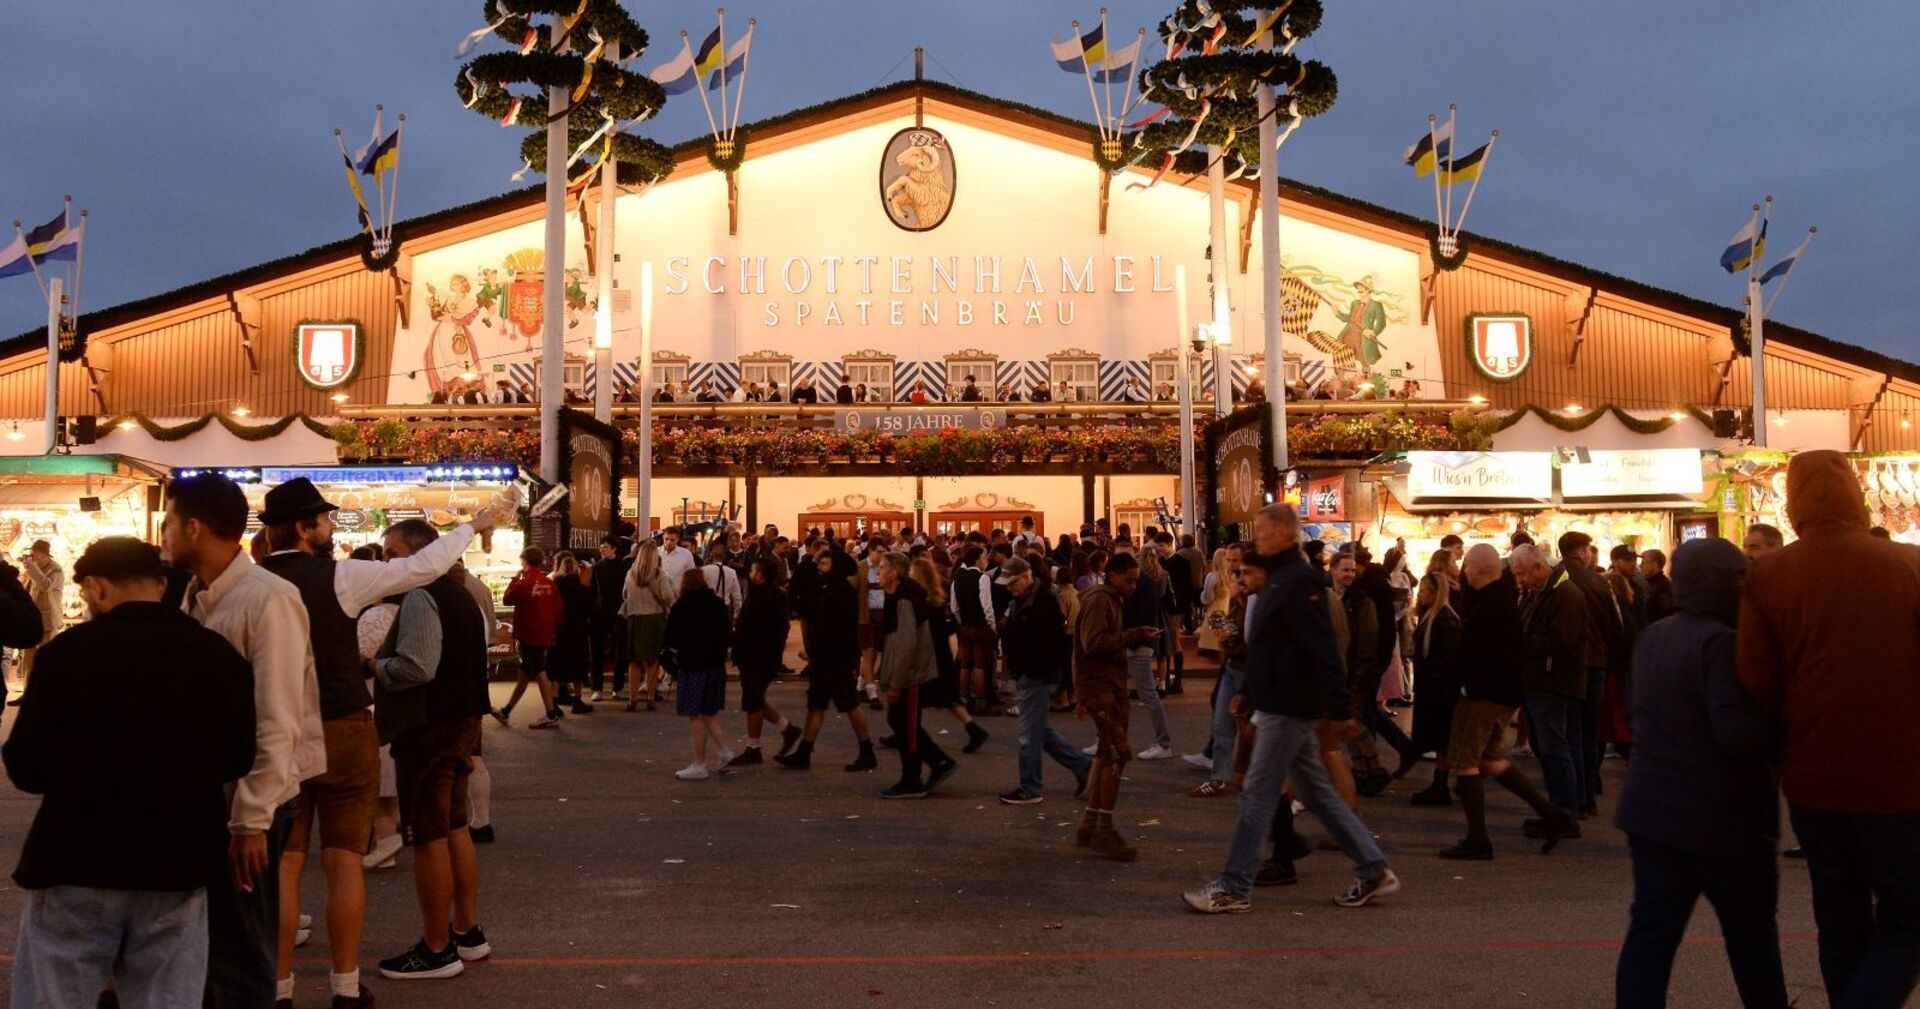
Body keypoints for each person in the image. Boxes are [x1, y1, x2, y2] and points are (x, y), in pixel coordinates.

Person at [256, 477, 487, 1009]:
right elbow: (418, 568)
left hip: (277, 732)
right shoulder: (340, 577)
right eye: (324, 519)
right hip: (342, 727)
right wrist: (470, 526)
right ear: (303, 526)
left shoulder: (249, 583)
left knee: (286, 866)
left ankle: (280, 988)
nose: (330, 526)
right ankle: (343, 985)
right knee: (342, 862)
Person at [5, 537, 256, 1009]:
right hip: (179, 860)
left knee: (56, 995)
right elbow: (239, 758)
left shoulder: (68, 654)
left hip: (75, 857)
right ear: (161, 586)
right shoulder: (216, 655)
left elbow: (27, 765)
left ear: (97, 589)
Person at [1739, 450, 1920, 1009]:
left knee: (1839, 918)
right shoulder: (1909, 565)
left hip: (1816, 777)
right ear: (1855, 493)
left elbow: (1756, 682)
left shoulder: (1770, 574)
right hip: (1902, 776)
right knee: (1909, 922)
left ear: (1793, 501)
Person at [160, 474, 326, 1009]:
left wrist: (252, 818)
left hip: (253, 804)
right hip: (213, 796)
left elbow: (278, 716)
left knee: (240, 949)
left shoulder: (267, 599)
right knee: (208, 943)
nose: (162, 536)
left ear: (193, 527)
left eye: (167, 524)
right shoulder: (194, 595)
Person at [1184, 505, 1400, 913]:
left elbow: (1322, 647)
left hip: (1289, 705)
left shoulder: (1299, 580)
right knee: (1317, 794)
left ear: (1284, 533)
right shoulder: (1283, 577)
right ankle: (1372, 869)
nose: (1259, 537)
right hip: (1281, 701)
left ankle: (1233, 886)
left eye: (1264, 531)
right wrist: (1248, 690)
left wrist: (1339, 708)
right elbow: (1270, 645)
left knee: (1257, 795)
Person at [1615, 537, 1786, 1009]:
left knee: (1651, 937)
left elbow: (1635, 713)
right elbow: (1736, 732)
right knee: (1752, 939)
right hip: (1722, 820)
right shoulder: (1723, 643)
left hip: (1651, 813)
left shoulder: (1655, 636)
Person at [370, 520, 494, 981]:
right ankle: (466, 931)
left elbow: (417, 667)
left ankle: (437, 947)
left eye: (392, 553)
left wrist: (375, 664)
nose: (386, 564)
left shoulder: (422, 595)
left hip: (428, 727)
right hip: (461, 723)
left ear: (420, 554)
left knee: (429, 836)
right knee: (455, 827)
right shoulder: (459, 594)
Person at [1439, 545, 1575, 860]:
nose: (1463, 571)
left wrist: (1464, 687)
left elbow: (1480, 654)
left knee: (1466, 761)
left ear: (1479, 569)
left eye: (1467, 567)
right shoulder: (1500, 598)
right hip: (1500, 694)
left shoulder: (1492, 604)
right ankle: (1552, 814)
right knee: (1490, 760)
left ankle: (1478, 839)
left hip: (1483, 696)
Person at [1072, 552, 1159, 860]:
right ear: (1112, 575)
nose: (1133, 586)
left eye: (1136, 580)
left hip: (1104, 684)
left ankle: (1091, 823)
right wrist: (1132, 635)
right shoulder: (1101, 600)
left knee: (1106, 752)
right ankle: (1103, 830)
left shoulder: (1106, 598)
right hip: (1101, 685)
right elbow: (1093, 644)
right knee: (1116, 754)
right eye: (1128, 579)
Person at [995, 558, 1090, 805]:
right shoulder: (1027, 600)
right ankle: (1081, 765)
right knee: (1040, 729)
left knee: (1029, 733)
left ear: (1025, 578)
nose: (1009, 587)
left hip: (1037, 674)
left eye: (1012, 583)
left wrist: (1031, 669)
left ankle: (1031, 786)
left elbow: (1048, 643)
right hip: (1033, 673)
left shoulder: (1041, 602)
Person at [777, 545, 878, 771]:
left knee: (849, 704)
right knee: (817, 704)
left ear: (836, 567)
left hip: (836, 660)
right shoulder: (831, 589)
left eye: (824, 563)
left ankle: (866, 750)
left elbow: (836, 631)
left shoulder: (842, 593)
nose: (820, 566)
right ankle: (804, 751)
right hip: (826, 659)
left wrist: (813, 651)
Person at [1512, 544, 1588, 835]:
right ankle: (1557, 811)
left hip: (1553, 683)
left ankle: (1565, 815)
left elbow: (1562, 640)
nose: (1519, 580)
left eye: (1521, 574)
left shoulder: (1565, 594)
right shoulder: (1542, 592)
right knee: (1548, 749)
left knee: (1555, 749)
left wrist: (1521, 644)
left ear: (1538, 566)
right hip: (1539, 681)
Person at [875, 551, 957, 799]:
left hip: (911, 676)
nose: (877, 572)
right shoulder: (897, 597)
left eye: (881, 567)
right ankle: (938, 761)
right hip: (906, 673)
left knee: (906, 725)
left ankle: (912, 779)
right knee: (899, 722)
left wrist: (896, 682)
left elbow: (907, 644)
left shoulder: (905, 600)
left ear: (894, 573)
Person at [1556, 531, 1622, 818]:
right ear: (1582, 552)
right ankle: (1589, 790)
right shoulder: (1598, 580)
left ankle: (1578, 795)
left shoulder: (1556, 578)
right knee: (1590, 730)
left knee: (1570, 731)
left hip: (1567, 665)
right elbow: (1617, 626)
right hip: (1596, 663)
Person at [724, 557, 801, 766]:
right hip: (753, 656)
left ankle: (753, 747)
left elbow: (765, 628)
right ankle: (787, 728)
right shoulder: (761, 593)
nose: (751, 574)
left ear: (761, 575)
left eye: (755, 571)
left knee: (753, 701)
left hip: (759, 656)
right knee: (753, 698)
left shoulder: (770, 596)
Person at [665, 568, 735, 779]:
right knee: (709, 711)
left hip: (692, 665)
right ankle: (723, 751)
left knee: (695, 713)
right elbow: (726, 634)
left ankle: (700, 763)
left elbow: (671, 638)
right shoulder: (718, 605)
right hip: (714, 665)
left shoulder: (681, 606)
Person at [1407, 562, 1463, 807]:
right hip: (1433, 689)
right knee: (1440, 739)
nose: (1420, 595)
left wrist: (1441, 686)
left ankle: (1444, 785)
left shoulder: (1444, 620)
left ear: (1434, 593)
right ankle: (1440, 784)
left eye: (1424, 591)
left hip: (1440, 692)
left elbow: (1451, 659)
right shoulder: (1433, 617)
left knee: (1443, 739)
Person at [497, 548, 564, 728]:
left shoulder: (525, 583)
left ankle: (551, 713)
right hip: (544, 633)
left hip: (528, 634)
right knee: (526, 673)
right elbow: (558, 610)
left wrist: (514, 580)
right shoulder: (549, 583)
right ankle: (506, 710)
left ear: (525, 561)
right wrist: (553, 631)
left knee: (539, 671)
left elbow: (507, 599)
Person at [1124, 547, 1176, 760]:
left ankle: (1162, 742)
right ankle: (1108, 738)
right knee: (1139, 692)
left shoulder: (1142, 582)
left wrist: (1136, 637)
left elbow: (1142, 612)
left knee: (1147, 694)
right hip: (1145, 635)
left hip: (1139, 640)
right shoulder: (1158, 576)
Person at [622, 541, 675, 711]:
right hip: (654, 619)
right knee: (652, 660)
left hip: (634, 619)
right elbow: (667, 597)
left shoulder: (631, 573)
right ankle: (651, 698)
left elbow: (624, 595)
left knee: (634, 661)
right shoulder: (659, 574)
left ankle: (632, 699)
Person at [950, 545, 1000, 715]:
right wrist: (992, 626)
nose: (985, 560)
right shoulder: (982, 578)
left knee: (965, 664)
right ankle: (980, 702)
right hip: (980, 625)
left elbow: (954, 606)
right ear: (977, 559)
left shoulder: (958, 578)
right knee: (979, 665)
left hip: (964, 626)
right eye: (983, 557)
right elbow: (987, 606)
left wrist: (960, 622)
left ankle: (964, 698)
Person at [548, 551, 596, 714]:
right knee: (578, 668)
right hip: (578, 632)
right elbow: (591, 610)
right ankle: (577, 700)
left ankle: (554, 703)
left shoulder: (554, 588)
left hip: (559, 632)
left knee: (556, 668)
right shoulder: (582, 589)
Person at [14, 539, 63, 696]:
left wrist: (32, 567)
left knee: (47, 659)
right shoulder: (35, 569)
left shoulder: (56, 570)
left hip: (49, 622)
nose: (33, 556)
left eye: (35, 554)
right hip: (34, 620)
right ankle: (27, 694)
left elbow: (45, 585)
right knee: (28, 659)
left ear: (43, 554)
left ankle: (46, 694)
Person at [589, 537, 631, 703]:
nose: (602, 549)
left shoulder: (624, 567)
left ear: (614, 549)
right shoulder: (597, 567)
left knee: (620, 652)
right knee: (596, 652)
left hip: (619, 613)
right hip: (599, 614)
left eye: (605, 547)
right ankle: (597, 688)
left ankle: (617, 688)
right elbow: (593, 591)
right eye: (601, 547)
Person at [1638, 548, 1676, 625]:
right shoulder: (1645, 583)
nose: (1640, 565)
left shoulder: (1663, 586)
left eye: (1644, 562)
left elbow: (1667, 613)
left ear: (1655, 564)